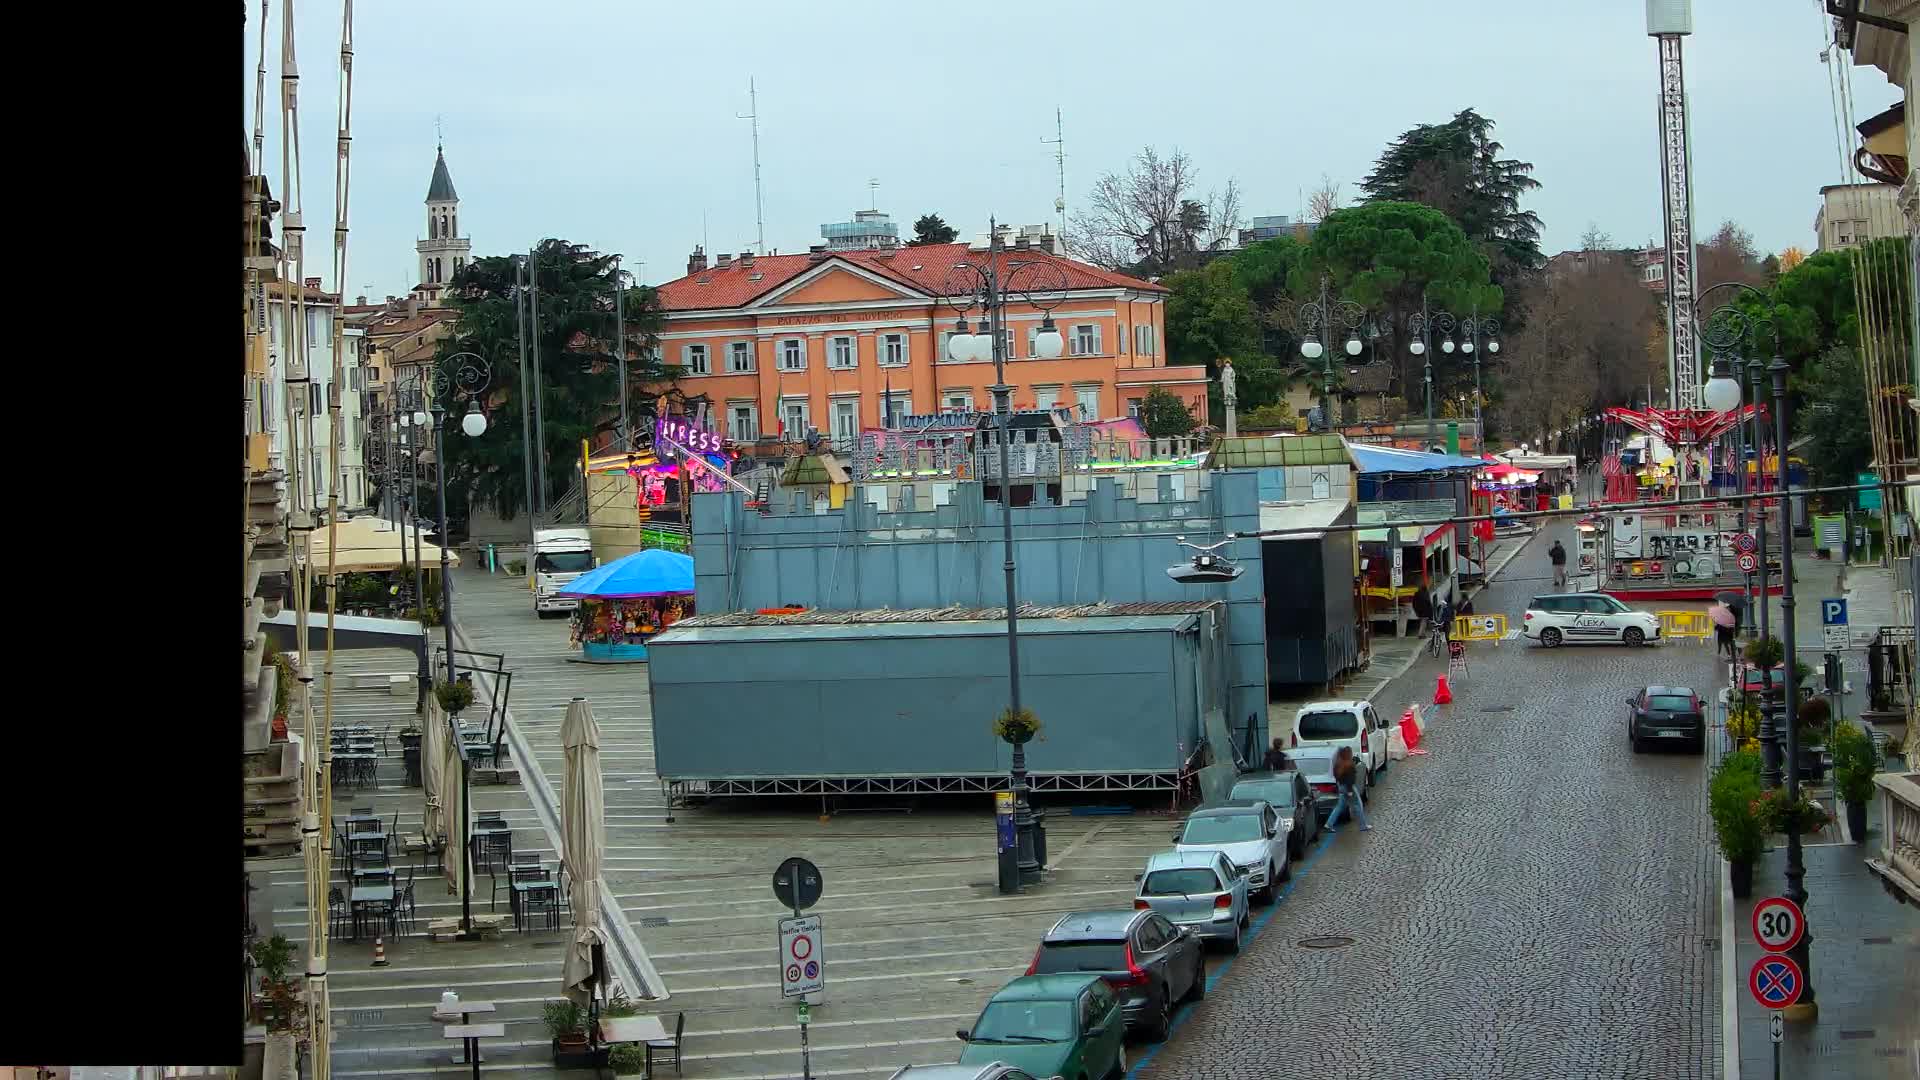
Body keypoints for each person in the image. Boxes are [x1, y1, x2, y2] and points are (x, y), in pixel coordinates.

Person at [1324, 746, 1371, 833]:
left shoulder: (1338, 764)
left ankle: (1328, 824)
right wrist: (1349, 790)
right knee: (1358, 805)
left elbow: (1337, 776)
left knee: (1340, 806)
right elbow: (1350, 779)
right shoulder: (1349, 765)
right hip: (1349, 788)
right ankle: (1363, 825)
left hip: (1341, 786)